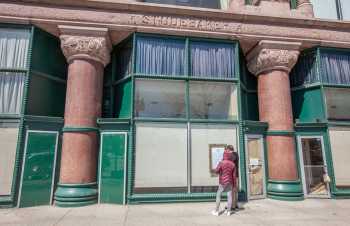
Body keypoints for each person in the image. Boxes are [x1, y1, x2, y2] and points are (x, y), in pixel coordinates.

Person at [211, 145, 236, 216]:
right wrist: (234, 184)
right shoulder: (233, 164)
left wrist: (218, 171)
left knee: (218, 195)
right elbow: (234, 176)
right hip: (230, 182)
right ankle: (228, 211)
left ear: (224, 155)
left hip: (222, 181)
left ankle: (216, 211)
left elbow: (216, 171)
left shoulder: (221, 162)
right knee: (229, 196)